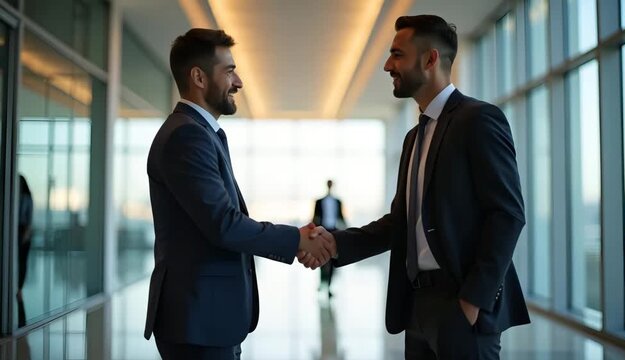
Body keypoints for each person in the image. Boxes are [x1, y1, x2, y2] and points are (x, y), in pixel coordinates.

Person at [301, 15, 530, 359]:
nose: (387, 65)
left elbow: (508, 214)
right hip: (416, 307)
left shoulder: (478, 120)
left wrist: (471, 302)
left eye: (397, 54)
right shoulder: (414, 137)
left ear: (430, 59)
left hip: (460, 306)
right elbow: (400, 223)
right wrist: (335, 243)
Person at [144, 28, 335, 360]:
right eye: (229, 71)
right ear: (199, 78)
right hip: (199, 320)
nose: (238, 82)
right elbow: (225, 225)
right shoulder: (187, 137)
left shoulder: (200, 133)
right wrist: (297, 239)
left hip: (206, 317)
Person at [312, 180, 346, 297]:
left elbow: (341, 216)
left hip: (334, 231)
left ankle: (329, 287)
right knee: (321, 259)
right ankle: (323, 284)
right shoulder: (319, 201)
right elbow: (314, 217)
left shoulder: (338, 202)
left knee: (332, 260)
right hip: (322, 230)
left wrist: (347, 231)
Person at [17, 174, 33, 327]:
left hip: (23, 233)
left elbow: (29, 220)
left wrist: (25, 236)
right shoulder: (13, 197)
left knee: (22, 262)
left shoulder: (27, 198)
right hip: (16, 231)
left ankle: (19, 288)